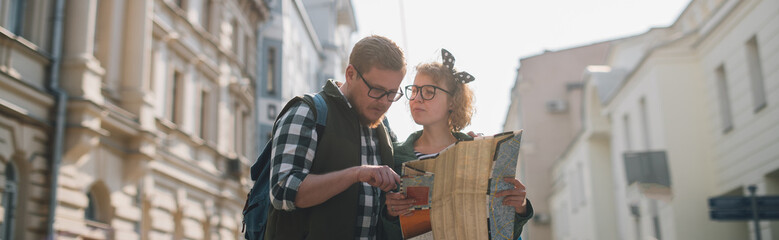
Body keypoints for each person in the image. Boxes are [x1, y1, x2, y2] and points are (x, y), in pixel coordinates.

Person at [380, 49, 534, 240]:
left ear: (452, 101)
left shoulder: (481, 152)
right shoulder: (395, 156)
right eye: (414, 90)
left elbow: (504, 233)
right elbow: (387, 233)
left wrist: (520, 208)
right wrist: (390, 215)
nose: (417, 98)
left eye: (429, 92)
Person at [265, 35, 406, 240]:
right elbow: (283, 192)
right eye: (377, 90)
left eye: (392, 93)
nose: (384, 102)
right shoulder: (308, 112)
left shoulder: (383, 127)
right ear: (351, 74)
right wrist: (356, 174)